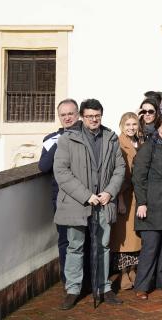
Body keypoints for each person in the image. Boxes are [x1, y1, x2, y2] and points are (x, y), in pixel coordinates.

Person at [53, 98, 125, 310]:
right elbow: (62, 172)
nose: (94, 119)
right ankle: (73, 289)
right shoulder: (68, 139)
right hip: (77, 203)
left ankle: (104, 287)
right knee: (75, 247)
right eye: (89, 116)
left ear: (101, 115)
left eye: (97, 116)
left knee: (102, 246)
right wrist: (86, 195)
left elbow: (119, 168)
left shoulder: (111, 138)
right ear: (82, 117)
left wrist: (109, 192)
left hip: (103, 202)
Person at [132, 113, 162, 299]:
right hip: (152, 204)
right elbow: (138, 177)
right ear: (158, 127)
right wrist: (142, 203)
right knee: (150, 248)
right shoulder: (148, 148)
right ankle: (142, 285)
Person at [38, 98, 79, 283]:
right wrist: (60, 142)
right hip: (60, 198)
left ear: (77, 114)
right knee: (65, 240)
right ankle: (67, 280)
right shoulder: (51, 139)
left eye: (71, 114)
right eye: (63, 115)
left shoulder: (86, 136)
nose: (67, 118)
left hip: (84, 196)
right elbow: (44, 166)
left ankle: (84, 278)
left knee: (83, 240)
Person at [110, 112, 142, 290]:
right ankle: (123, 273)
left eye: (134, 124)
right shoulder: (119, 144)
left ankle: (132, 270)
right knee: (123, 238)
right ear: (122, 126)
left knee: (136, 237)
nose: (131, 128)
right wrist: (120, 200)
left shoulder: (139, 142)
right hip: (125, 196)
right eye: (128, 125)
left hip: (137, 196)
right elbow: (119, 175)